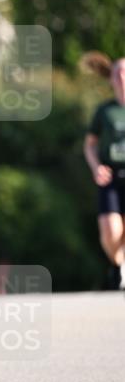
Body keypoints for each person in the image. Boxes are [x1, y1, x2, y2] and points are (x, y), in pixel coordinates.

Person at [82, 52, 125, 289]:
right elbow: (89, 145)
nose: (121, 77)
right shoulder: (105, 111)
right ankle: (118, 265)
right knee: (111, 231)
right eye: (117, 73)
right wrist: (96, 167)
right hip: (111, 176)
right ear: (111, 78)